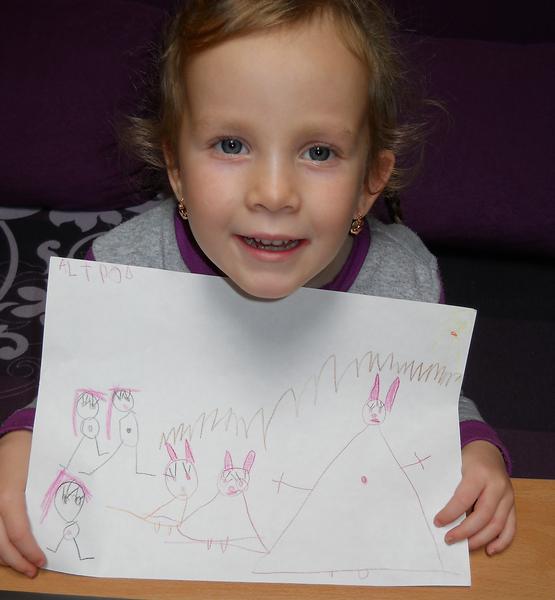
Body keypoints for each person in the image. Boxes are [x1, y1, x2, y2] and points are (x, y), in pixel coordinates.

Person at [0, 0, 515, 578]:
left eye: (318, 152)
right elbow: (73, 400)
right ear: (176, 168)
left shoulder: (404, 280)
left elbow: (428, 404)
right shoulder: (123, 269)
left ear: (371, 179)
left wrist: (476, 447)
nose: (273, 193)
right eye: (231, 145)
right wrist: (24, 441)